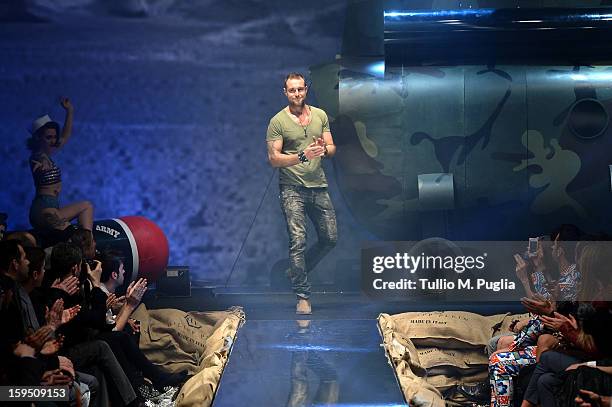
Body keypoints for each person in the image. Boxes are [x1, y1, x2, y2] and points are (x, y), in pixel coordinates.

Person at [266, 72, 338, 315]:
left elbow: (331, 147)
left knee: (330, 238)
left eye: (300, 89)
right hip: (292, 189)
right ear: (285, 93)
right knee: (298, 242)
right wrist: (302, 156)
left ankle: (294, 270)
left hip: (318, 186)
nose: (297, 94)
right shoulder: (278, 121)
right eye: (292, 90)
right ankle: (302, 296)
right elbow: (274, 159)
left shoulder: (320, 115)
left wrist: (323, 150)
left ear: (306, 89)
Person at [27, 97, 94, 232]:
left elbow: (66, 135)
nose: (53, 141)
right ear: (38, 138)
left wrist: (70, 110)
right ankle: (86, 245)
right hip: (43, 209)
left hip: (53, 207)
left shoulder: (48, 154)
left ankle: (88, 242)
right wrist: (42, 165)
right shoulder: (37, 155)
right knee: (69, 234)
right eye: (48, 137)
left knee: (87, 206)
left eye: (54, 137)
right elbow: (38, 160)